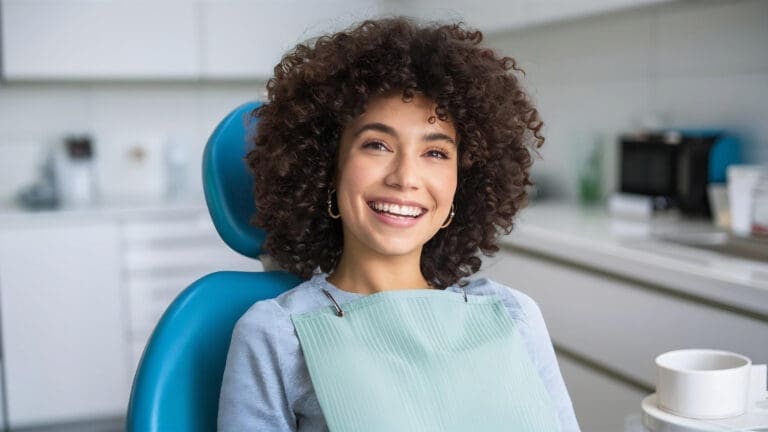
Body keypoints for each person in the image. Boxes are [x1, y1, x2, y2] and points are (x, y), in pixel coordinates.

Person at [218, 17, 580, 432]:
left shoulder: (513, 315)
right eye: (377, 144)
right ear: (327, 169)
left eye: (436, 153)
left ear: (461, 186)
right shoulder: (277, 335)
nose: (405, 177)